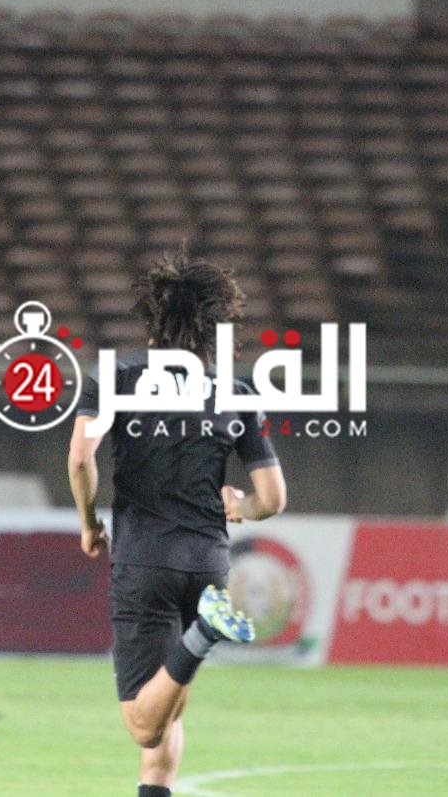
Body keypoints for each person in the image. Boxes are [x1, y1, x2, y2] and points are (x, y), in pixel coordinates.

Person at [67, 251, 288, 797]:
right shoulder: (236, 392)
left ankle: (205, 633)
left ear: (152, 318)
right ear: (213, 326)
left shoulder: (116, 376)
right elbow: (273, 499)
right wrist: (241, 507)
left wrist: (89, 523)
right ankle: (202, 630)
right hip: (209, 564)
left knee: (143, 725)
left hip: (145, 560)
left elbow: (79, 458)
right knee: (168, 709)